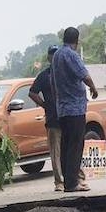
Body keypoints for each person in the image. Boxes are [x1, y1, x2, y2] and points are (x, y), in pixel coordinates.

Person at [52, 27, 98, 193]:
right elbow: (83, 74)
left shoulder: (57, 55)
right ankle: (72, 183)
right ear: (76, 41)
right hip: (74, 108)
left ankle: (69, 180)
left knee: (66, 145)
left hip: (62, 108)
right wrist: (93, 88)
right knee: (75, 146)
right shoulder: (71, 55)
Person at [29, 45, 69, 191]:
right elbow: (32, 92)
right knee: (55, 152)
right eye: (52, 54)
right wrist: (45, 105)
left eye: (56, 54)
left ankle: (73, 179)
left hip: (68, 117)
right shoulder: (44, 75)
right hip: (53, 119)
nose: (54, 57)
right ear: (49, 57)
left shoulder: (66, 73)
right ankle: (59, 182)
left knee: (70, 150)